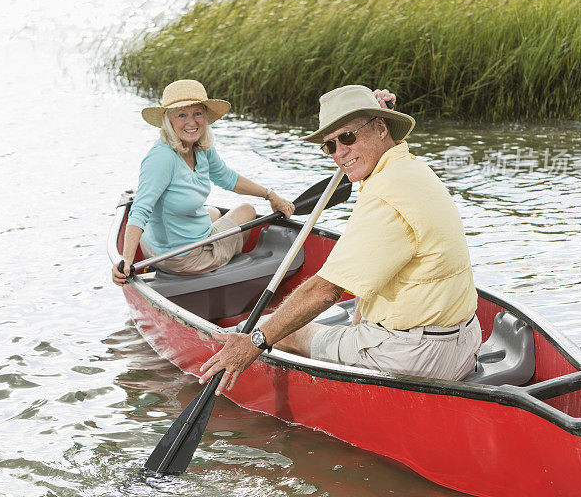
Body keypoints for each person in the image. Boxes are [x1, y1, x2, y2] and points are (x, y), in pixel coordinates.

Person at [199, 84, 481, 393]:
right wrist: (365, 123)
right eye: (330, 146)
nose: (340, 154)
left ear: (381, 128)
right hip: (464, 344)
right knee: (359, 302)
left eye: (347, 137)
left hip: (417, 357)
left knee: (286, 334)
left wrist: (254, 342)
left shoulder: (385, 195)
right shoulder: (408, 168)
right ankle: (353, 343)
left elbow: (325, 292)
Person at [112, 79, 295, 284]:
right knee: (247, 210)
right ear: (168, 120)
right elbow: (140, 210)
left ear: (205, 116)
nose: (192, 122)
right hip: (182, 259)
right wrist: (126, 261)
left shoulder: (200, 147)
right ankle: (221, 262)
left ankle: (212, 247)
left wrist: (270, 195)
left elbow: (229, 179)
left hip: (160, 247)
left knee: (214, 212)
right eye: (182, 114)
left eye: (197, 113)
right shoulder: (161, 158)